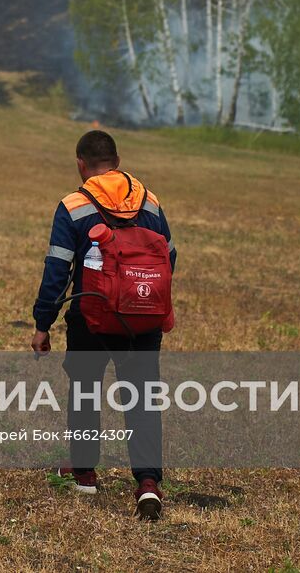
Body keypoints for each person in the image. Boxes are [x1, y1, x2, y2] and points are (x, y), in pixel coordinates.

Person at [29, 130, 176, 519]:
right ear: (118, 160)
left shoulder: (74, 205)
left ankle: (84, 473)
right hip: (143, 319)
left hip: (89, 317)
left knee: (85, 390)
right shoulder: (150, 200)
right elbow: (169, 257)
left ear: (81, 164)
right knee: (142, 397)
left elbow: (57, 270)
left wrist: (43, 323)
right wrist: (144, 301)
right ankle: (147, 483)